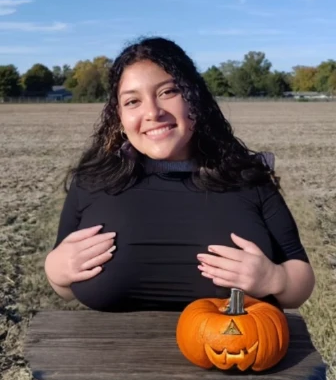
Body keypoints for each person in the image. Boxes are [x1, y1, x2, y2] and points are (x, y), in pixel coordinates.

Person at [44, 36, 315, 314]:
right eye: (133, 101)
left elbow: (300, 281)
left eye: (168, 92)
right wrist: (54, 270)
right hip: (110, 355)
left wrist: (274, 279)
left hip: (231, 354)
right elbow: (63, 287)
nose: (152, 112)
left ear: (194, 99)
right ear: (120, 118)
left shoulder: (248, 178)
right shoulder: (92, 181)